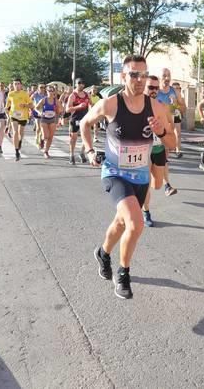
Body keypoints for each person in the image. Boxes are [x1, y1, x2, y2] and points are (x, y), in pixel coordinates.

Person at [80, 55, 175, 299]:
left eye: (144, 74)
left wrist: (161, 131)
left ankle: (103, 252)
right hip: (114, 173)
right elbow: (84, 123)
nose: (140, 79)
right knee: (135, 223)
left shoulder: (157, 108)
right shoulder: (110, 104)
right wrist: (90, 151)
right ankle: (123, 274)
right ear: (123, 77)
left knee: (122, 223)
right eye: (134, 74)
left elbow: (172, 143)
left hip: (140, 178)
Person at [141, 75, 177, 227]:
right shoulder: (138, 106)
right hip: (144, 150)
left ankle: (153, 185)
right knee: (146, 183)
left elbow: (170, 124)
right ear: (144, 87)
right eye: (150, 87)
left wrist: (166, 138)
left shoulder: (162, 106)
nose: (154, 91)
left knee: (157, 185)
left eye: (156, 88)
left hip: (159, 148)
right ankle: (146, 212)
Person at [157, 68, 186, 158]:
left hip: (174, 112)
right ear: (159, 78)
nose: (167, 78)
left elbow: (183, 107)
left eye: (168, 76)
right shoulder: (156, 91)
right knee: (163, 135)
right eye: (164, 76)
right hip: (162, 116)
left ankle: (177, 149)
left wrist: (175, 104)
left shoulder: (175, 91)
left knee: (178, 132)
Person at [5, 79, 32, 161]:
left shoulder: (25, 94)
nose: (16, 85)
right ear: (13, 85)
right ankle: (16, 152)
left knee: (21, 133)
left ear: (21, 85)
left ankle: (20, 141)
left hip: (23, 116)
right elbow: (7, 105)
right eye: (15, 84)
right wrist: (6, 109)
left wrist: (25, 105)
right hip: (13, 115)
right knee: (15, 132)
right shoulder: (10, 94)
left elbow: (31, 105)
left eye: (18, 84)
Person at [67, 79, 91, 165]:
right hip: (75, 119)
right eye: (79, 83)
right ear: (76, 84)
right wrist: (78, 106)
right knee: (73, 138)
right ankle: (71, 155)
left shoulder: (87, 95)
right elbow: (67, 109)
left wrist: (92, 113)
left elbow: (91, 105)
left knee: (87, 137)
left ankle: (82, 152)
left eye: (82, 83)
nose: (81, 85)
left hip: (85, 119)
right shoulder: (73, 95)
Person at [35, 85, 62, 159]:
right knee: (45, 136)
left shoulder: (56, 101)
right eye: (49, 91)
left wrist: (60, 115)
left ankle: (46, 151)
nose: (50, 92)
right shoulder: (44, 100)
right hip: (44, 119)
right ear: (46, 92)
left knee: (50, 137)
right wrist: (40, 112)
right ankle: (42, 139)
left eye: (52, 91)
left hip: (52, 119)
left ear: (54, 92)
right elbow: (36, 108)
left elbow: (61, 110)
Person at [31, 84, 47, 149]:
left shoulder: (46, 95)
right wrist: (32, 107)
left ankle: (40, 140)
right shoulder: (35, 94)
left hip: (43, 112)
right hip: (36, 111)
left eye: (44, 87)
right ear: (38, 88)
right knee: (38, 127)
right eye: (41, 87)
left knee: (42, 127)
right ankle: (37, 138)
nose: (42, 89)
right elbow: (29, 100)